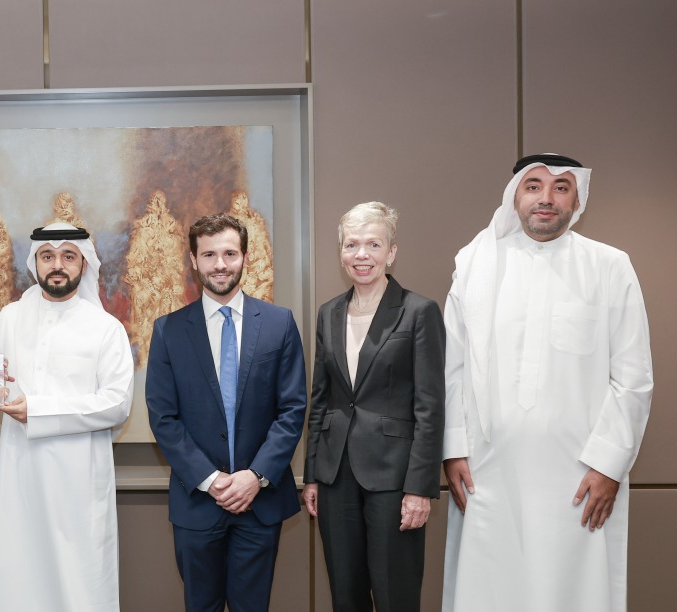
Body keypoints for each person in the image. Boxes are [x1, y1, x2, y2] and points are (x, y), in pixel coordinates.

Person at [441, 154, 653, 612]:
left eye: (561, 188)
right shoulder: (475, 266)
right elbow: (451, 368)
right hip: (487, 472)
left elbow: (633, 378)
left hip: (578, 477)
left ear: (578, 200)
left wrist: (608, 465)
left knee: (572, 594)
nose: (545, 198)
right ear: (515, 195)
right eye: (533, 186)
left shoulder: (609, 266)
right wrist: (453, 448)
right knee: (490, 592)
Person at [146, 213, 307, 612]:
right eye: (210, 254)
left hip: (260, 501)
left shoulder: (278, 323)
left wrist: (255, 477)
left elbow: (293, 408)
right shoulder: (168, 330)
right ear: (193, 261)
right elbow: (163, 417)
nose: (220, 264)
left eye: (230, 253)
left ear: (245, 257)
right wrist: (211, 479)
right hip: (198, 503)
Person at [0, 222, 134, 612]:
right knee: (19, 578)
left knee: (78, 584)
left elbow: (117, 404)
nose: (58, 266)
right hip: (21, 478)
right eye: (47, 256)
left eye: (68, 256)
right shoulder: (9, 318)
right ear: (35, 262)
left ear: (84, 263)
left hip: (78, 483)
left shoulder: (105, 328)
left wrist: (39, 409)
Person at [301, 202, 444, 611]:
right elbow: (321, 399)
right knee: (345, 594)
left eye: (373, 244)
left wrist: (419, 488)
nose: (361, 255)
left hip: (394, 479)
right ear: (341, 253)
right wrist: (312, 475)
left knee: (394, 593)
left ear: (391, 253)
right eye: (351, 245)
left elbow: (430, 408)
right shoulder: (329, 313)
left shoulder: (419, 312)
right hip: (334, 476)